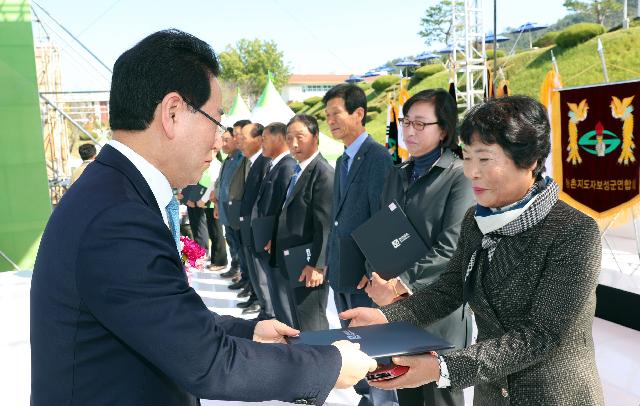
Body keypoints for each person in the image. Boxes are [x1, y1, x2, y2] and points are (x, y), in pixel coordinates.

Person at [30, 29, 377, 406]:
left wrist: (249, 332)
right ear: (173, 112)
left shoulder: (113, 193)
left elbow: (165, 316)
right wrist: (327, 364)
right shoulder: (119, 217)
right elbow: (208, 363)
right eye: (217, 120)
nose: (219, 139)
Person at [341, 95, 605, 406]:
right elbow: (450, 289)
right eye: (467, 157)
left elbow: (540, 335)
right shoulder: (478, 220)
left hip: (553, 394)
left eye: (484, 159)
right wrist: (386, 316)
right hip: (492, 394)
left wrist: (442, 368)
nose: (471, 172)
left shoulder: (573, 231)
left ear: (530, 160)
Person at [364, 89, 474, 406]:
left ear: (444, 128)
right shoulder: (398, 174)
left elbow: (453, 244)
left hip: (441, 310)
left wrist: (401, 284)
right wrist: (375, 275)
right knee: (406, 391)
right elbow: (382, 231)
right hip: (398, 309)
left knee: (441, 397)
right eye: (406, 122)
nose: (410, 131)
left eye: (420, 124)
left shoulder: (460, 176)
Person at [323, 84, 396, 406]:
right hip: (343, 265)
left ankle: (384, 399)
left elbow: (382, 217)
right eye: (326, 116)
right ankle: (366, 392)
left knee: (375, 342)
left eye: (336, 114)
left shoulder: (377, 157)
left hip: (365, 273)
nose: (331, 121)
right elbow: (337, 219)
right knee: (353, 339)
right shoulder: (342, 160)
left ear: (359, 113)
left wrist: (373, 267)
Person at [274, 114, 334, 331]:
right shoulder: (298, 170)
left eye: (300, 137)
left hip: (309, 262)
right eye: (289, 138)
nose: (294, 144)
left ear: (316, 136)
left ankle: (322, 362)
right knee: (300, 320)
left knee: (312, 322)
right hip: (294, 260)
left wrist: (318, 265)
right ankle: (307, 360)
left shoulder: (323, 173)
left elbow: (325, 224)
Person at [252, 122, 297, 327]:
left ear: (279, 139)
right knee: (277, 297)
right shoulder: (275, 165)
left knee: (284, 302)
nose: (262, 143)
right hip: (268, 241)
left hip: (276, 244)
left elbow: (284, 208)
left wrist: (275, 237)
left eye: (265, 139)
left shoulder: (287, 166)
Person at [237, 122, 273, 317]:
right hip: (248, 227)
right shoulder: (252, 162)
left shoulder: (265, 163)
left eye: (244, 138)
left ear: (259, 140)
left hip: (258, 228)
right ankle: (264, 307)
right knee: (255, 272)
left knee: (262, 274)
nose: (239, 142)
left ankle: (268, 310)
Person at [213, 127, 243, 273]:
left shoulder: (241, 159)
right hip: (225, 208)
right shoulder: (227, 160)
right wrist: (217, 204)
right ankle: (235, 267)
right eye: (222, 140)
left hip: (235, 209)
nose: (223, 144)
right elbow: (220, 182)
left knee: (239, 242)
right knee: (230, 239)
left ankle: (242, 272)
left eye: (227, 140)